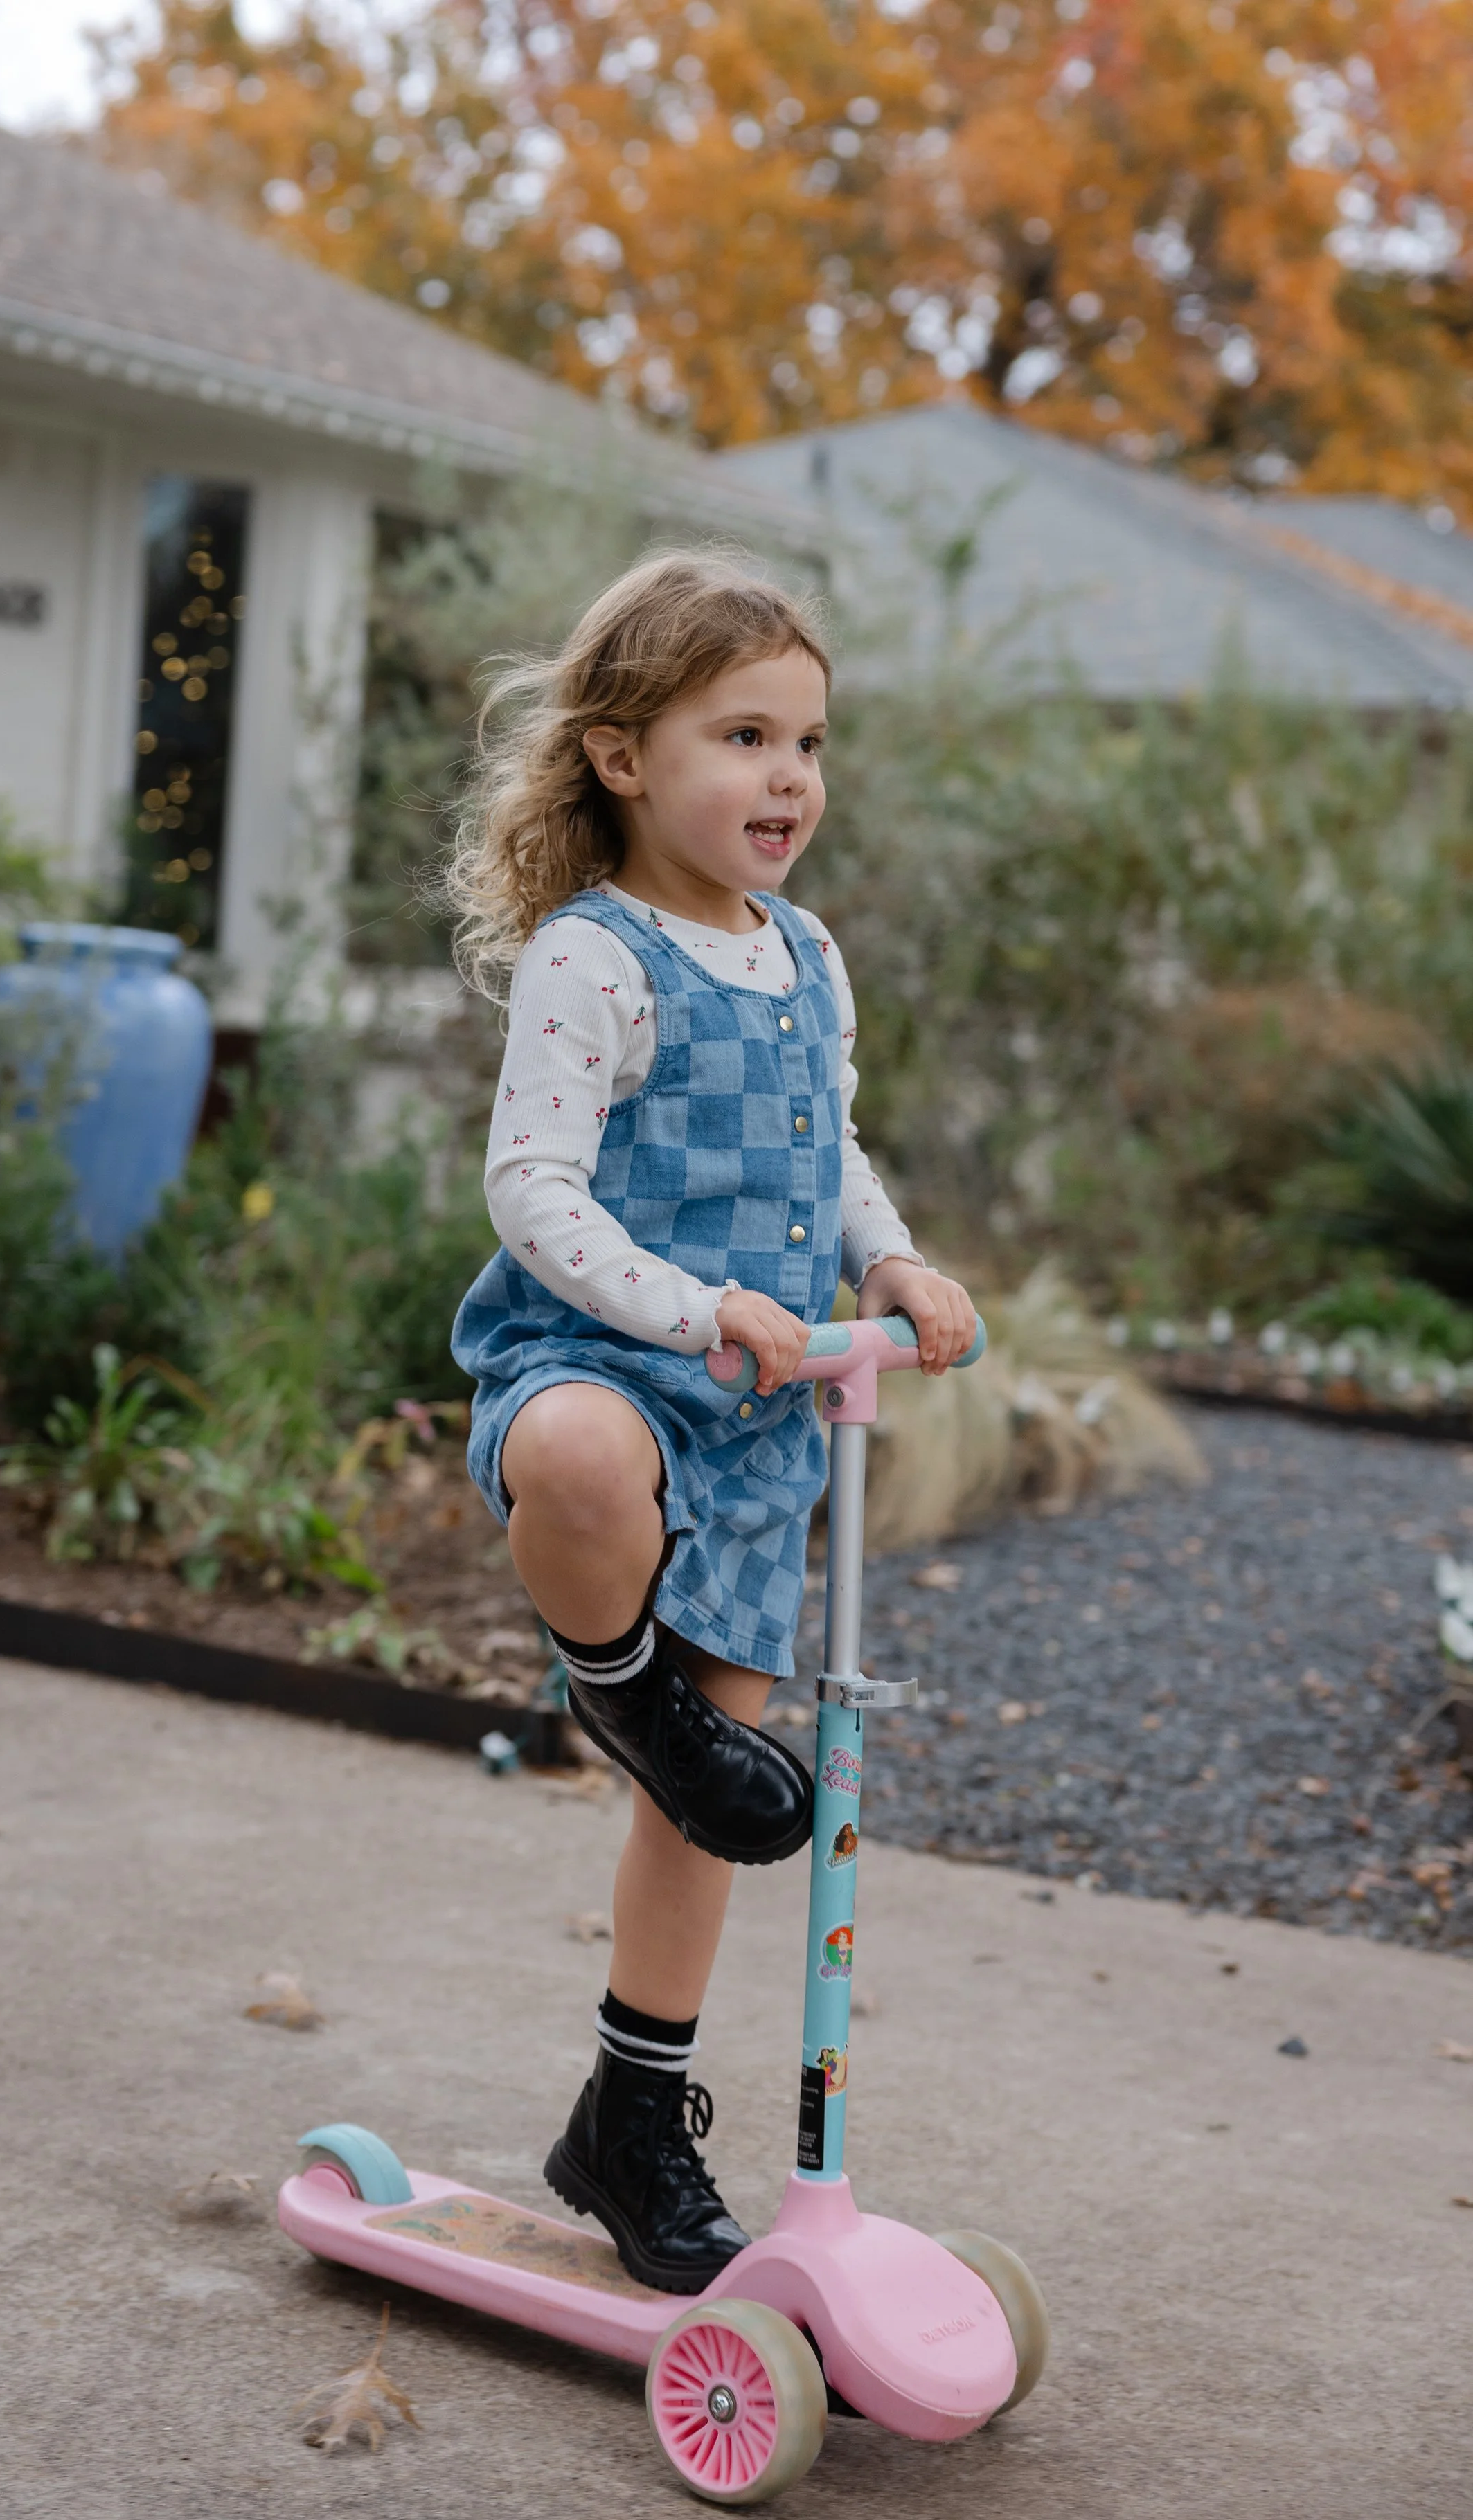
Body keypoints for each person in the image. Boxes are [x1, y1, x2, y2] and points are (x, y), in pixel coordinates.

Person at [447, 549, 978, 2292]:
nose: (786, 778)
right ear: (620, 757)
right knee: (588, 1468)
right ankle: (622, 1693)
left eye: (807, 742)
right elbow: (531, 1189)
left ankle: (629, 2119)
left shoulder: (805, 957)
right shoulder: (594, 961)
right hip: (602, 1365)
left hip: (761, 1427)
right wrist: (693, 1311)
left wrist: (889, 1266)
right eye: (740, 734)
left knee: (702, 1822)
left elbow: (831, 1160)